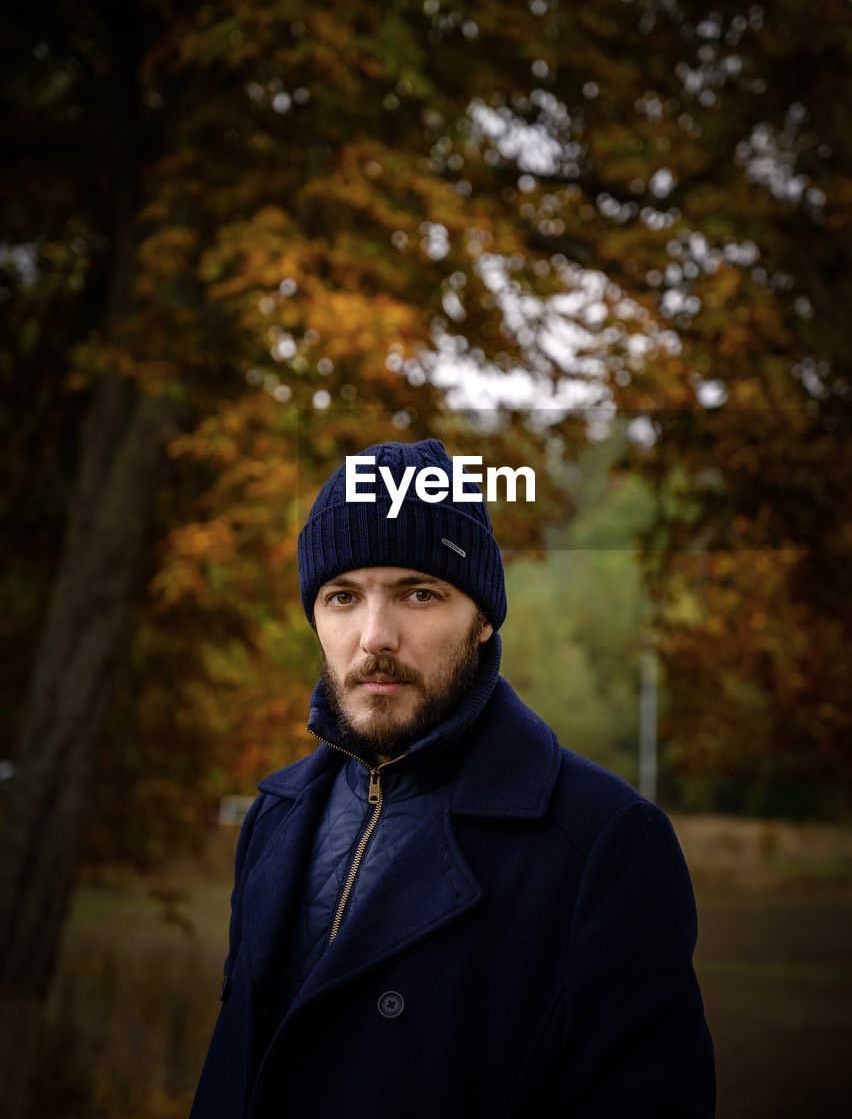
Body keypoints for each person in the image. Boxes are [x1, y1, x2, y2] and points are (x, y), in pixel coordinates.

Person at [190, 439, 715, 1119]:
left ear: (483, 616)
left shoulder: (602, 843)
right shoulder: (275, 818)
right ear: (315, 618)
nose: (375, 635)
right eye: (343, 596)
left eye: (418, 592)